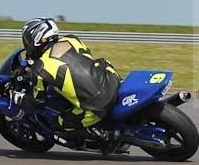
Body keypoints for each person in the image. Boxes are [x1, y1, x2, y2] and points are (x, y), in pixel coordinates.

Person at [10, 17, 122, 148]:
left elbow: (38, 102)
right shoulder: (72, 39)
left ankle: (99, 138)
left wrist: (19, 98)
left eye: (27, 40)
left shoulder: (40, 68)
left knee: (56, 124)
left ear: (36, 38)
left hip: (96, 108)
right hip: (112, 79)